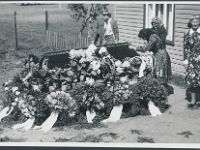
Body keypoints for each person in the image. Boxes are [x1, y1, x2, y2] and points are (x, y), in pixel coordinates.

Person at [183, 15, 200, 107]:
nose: (195, 23)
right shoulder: (187, 33)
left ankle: (199, 100)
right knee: (192, 80)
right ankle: (193, 100)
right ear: (190, 23)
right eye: (193, 22)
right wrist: (185, 60)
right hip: (191, 61)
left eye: (197, 21)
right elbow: (185, 48)